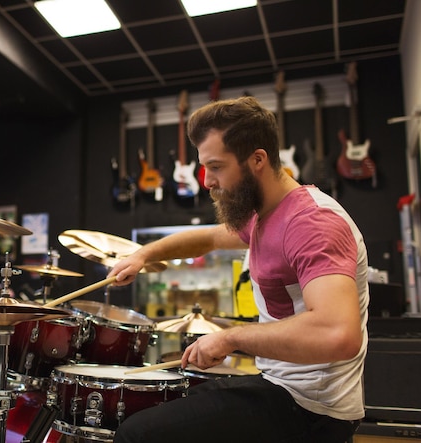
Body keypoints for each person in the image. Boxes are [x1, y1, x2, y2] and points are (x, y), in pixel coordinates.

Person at [108, 96, 368, 443]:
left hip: (312, 409)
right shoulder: (268, 212)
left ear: (257, 159)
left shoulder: (312, 223)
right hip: (281, 387)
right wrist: (144, 254)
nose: (207, 181)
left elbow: (339, 334)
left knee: (135, 434)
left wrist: (231, 338)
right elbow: (211, 238)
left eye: (216, 167)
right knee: (181, 399)